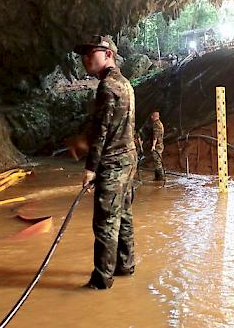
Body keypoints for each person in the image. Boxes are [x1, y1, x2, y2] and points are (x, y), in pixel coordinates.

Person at [74, 35, 137, 290]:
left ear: (108, 54)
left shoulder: (107, 86)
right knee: (123, 214)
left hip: (112, 163)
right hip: (128, 160)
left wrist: (90, 168)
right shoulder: (125, 84)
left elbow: (102, 132)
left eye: (91, 53)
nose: (86, 58)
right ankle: (125, 264)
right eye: (84, 54)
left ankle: (101, 281)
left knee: (105, 222)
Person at [150, 111, 165, 181]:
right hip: (160, 145)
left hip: (157, 146)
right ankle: (157, 177)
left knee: (157, 162)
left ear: (155, 116)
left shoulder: (156, 124)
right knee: (157, 161)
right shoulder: (160, 123)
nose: (151, 117)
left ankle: (161, 178)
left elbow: (155, 136)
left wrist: (153, 145)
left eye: (152, 116)